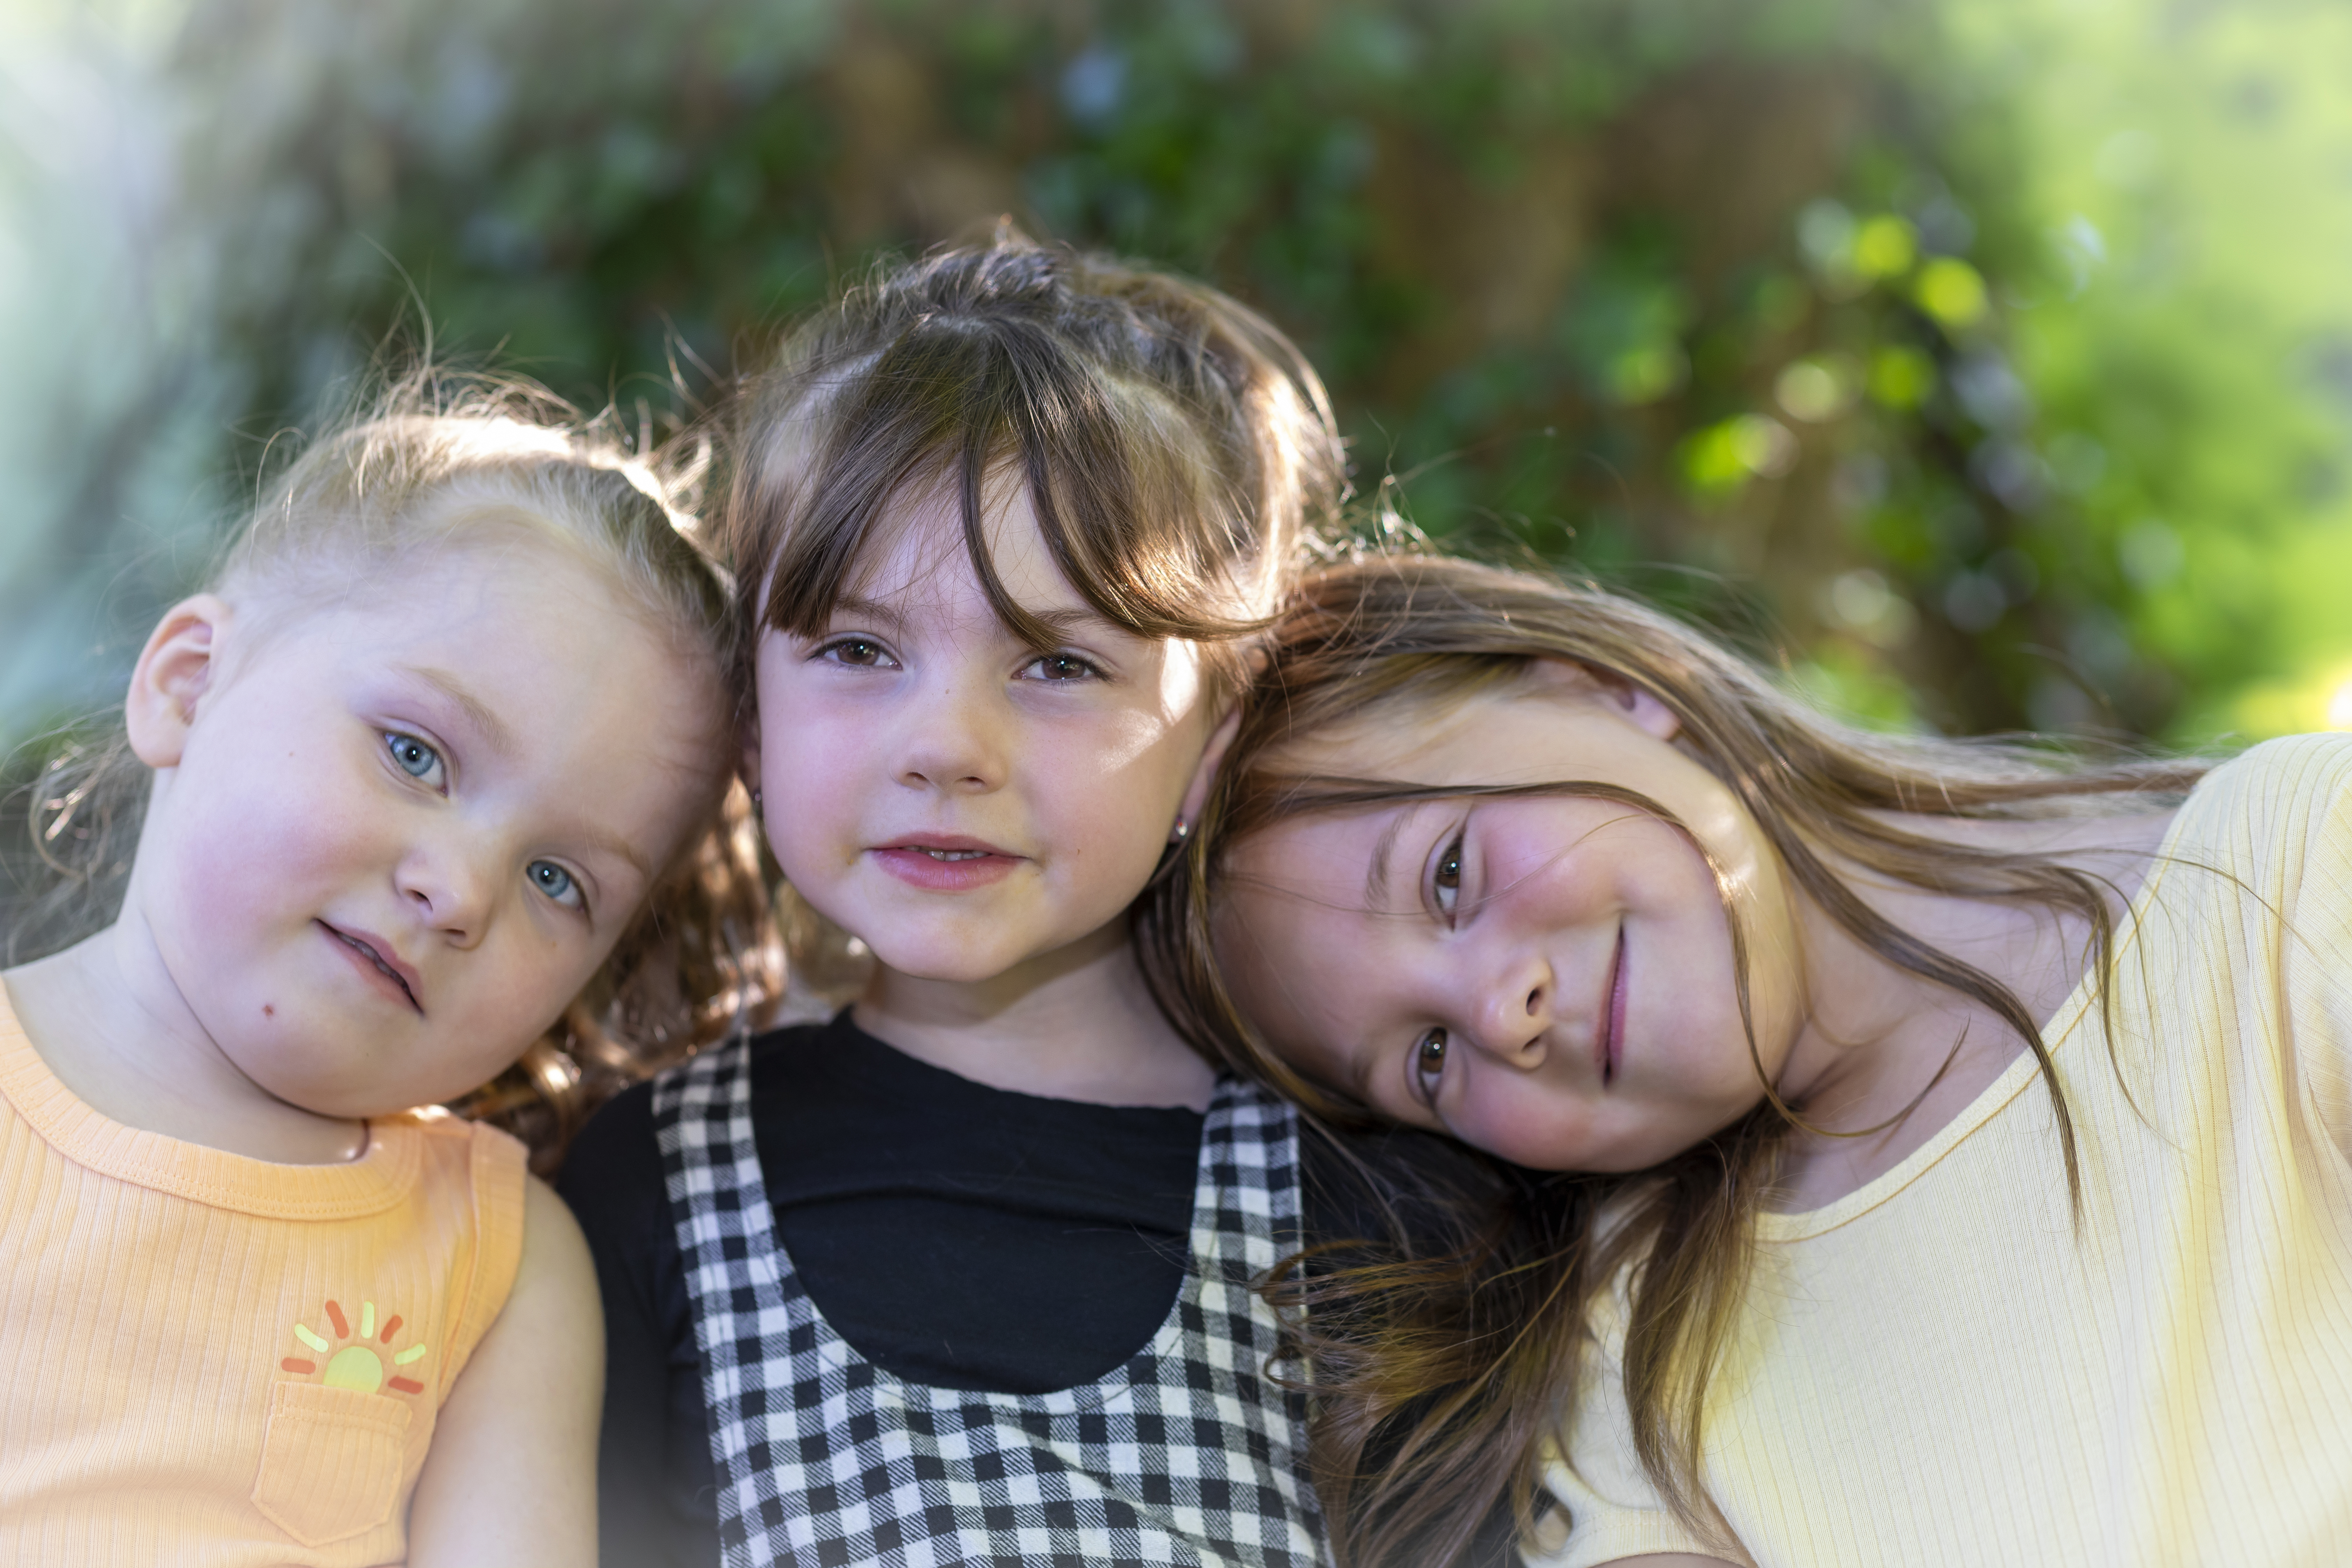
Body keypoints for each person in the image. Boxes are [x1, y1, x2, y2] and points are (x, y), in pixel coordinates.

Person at [561, 231, 1541, 1568]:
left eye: (1059, 665)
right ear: (749, 721)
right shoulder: (650, 1190)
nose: (947, 745)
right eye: (858, 650)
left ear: (1212, 736)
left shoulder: (1375, 1203)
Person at [1148, 551, 2352, 1567]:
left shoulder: (2287, 884)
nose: (1497, 1010)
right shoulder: (1629, 1401)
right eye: (1425, 1060)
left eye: (1449, 872)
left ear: (1607, 691)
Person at [0, 385, 746, 1566]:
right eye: (417, 755)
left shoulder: (499, 1269)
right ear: (188, 684)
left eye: (559, 880)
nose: (460, 892)